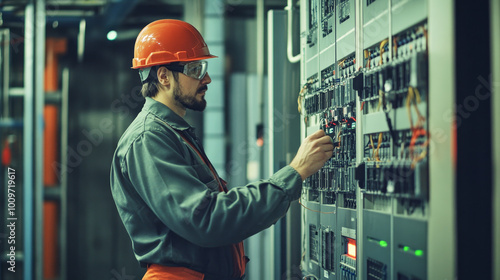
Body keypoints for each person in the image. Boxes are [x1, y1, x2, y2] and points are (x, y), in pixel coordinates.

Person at [110, 19, 333, 280]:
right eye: (195, 69)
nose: (207, 78)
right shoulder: (149, 139)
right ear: (163, 76)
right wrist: (294, 173)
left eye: (204, 67)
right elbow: (205, 220)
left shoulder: (173, 133)